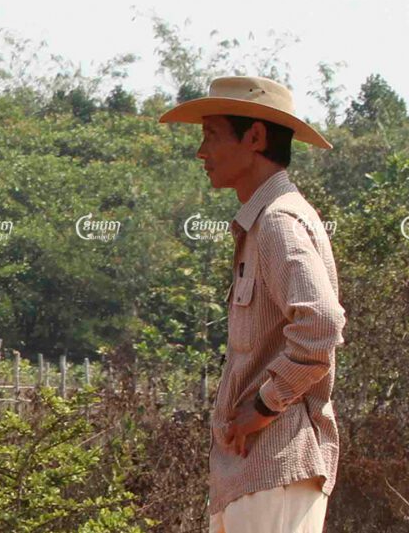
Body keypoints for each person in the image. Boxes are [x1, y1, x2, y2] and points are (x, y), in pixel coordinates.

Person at [159, 76, 347, 533]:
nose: (201, 152)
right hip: (251, 476)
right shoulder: (264, 221)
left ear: (256, 137)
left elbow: (321, 325)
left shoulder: (279, 220)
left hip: (276, 469)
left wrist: (264, 404)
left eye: (212, 135)